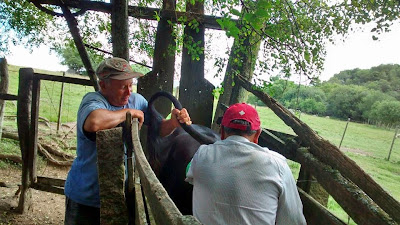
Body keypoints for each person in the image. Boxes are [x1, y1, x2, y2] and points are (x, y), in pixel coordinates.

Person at [64, 57, 191, 224]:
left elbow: (159, 128)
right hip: (86, 195)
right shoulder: (93, 101)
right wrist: (129, 113)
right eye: (123, 87)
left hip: (120, 193)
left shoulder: (136, 100)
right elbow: (94, 122)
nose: (129, 91)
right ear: (103, 85)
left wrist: (174, 123)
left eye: (131, 85)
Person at [185, 103, 306, 225]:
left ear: (222, 132)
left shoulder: (202, 154)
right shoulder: (278, 165)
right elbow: (294, 220)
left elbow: (189, 173)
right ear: (257, 134)